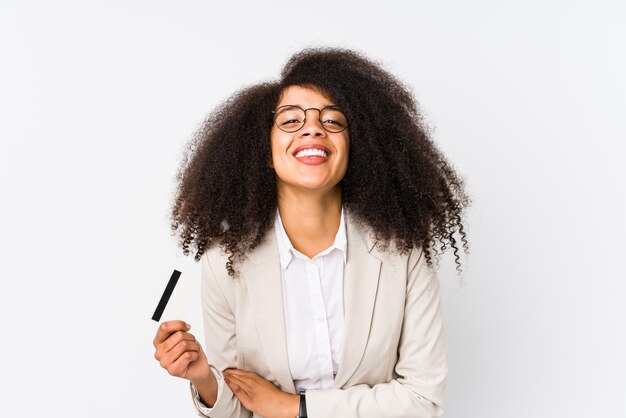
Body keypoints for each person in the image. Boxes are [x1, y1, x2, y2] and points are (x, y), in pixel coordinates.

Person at [153, 47, 470, 418]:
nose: (313, 128)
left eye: (333, 121)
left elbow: (423, 399)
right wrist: (205, 380)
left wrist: (296, 408)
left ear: (358, 145)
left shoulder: (404, 252)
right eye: (290, 120)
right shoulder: (225, 262)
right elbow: (240, 407)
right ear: (263, 145)